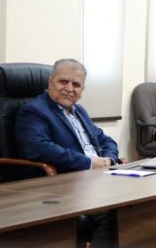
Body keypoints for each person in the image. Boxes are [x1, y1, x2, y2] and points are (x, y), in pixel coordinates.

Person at [15, 58, 119, 247]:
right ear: (50, 82)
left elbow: (106, 140)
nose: (70, 89)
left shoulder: (79, 111)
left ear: (82, 90)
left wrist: (109, 159)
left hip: (98, 178)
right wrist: (89, 163)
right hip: (68, 184)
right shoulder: (34, 111)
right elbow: (38, 148)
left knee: (140, 200)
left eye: (76, 85)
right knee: (115, 210)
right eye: (63, 82)